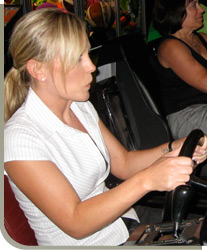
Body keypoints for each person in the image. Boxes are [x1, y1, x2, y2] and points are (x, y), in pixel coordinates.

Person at [4, 8, 207, 246]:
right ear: (38, 70)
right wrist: (148, 180)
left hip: (122, 226)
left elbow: (124, 163)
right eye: (77, 58)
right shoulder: (20, 138)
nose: (92, 67)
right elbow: (76, 222)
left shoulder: (80, 108)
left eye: (87, 55)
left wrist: (174, 147)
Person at [152, 0, 207, 140]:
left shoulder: (203, 38)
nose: (201, 10)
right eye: (194, 5)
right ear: (176, 11)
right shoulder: (170, 47)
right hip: (188, 116)